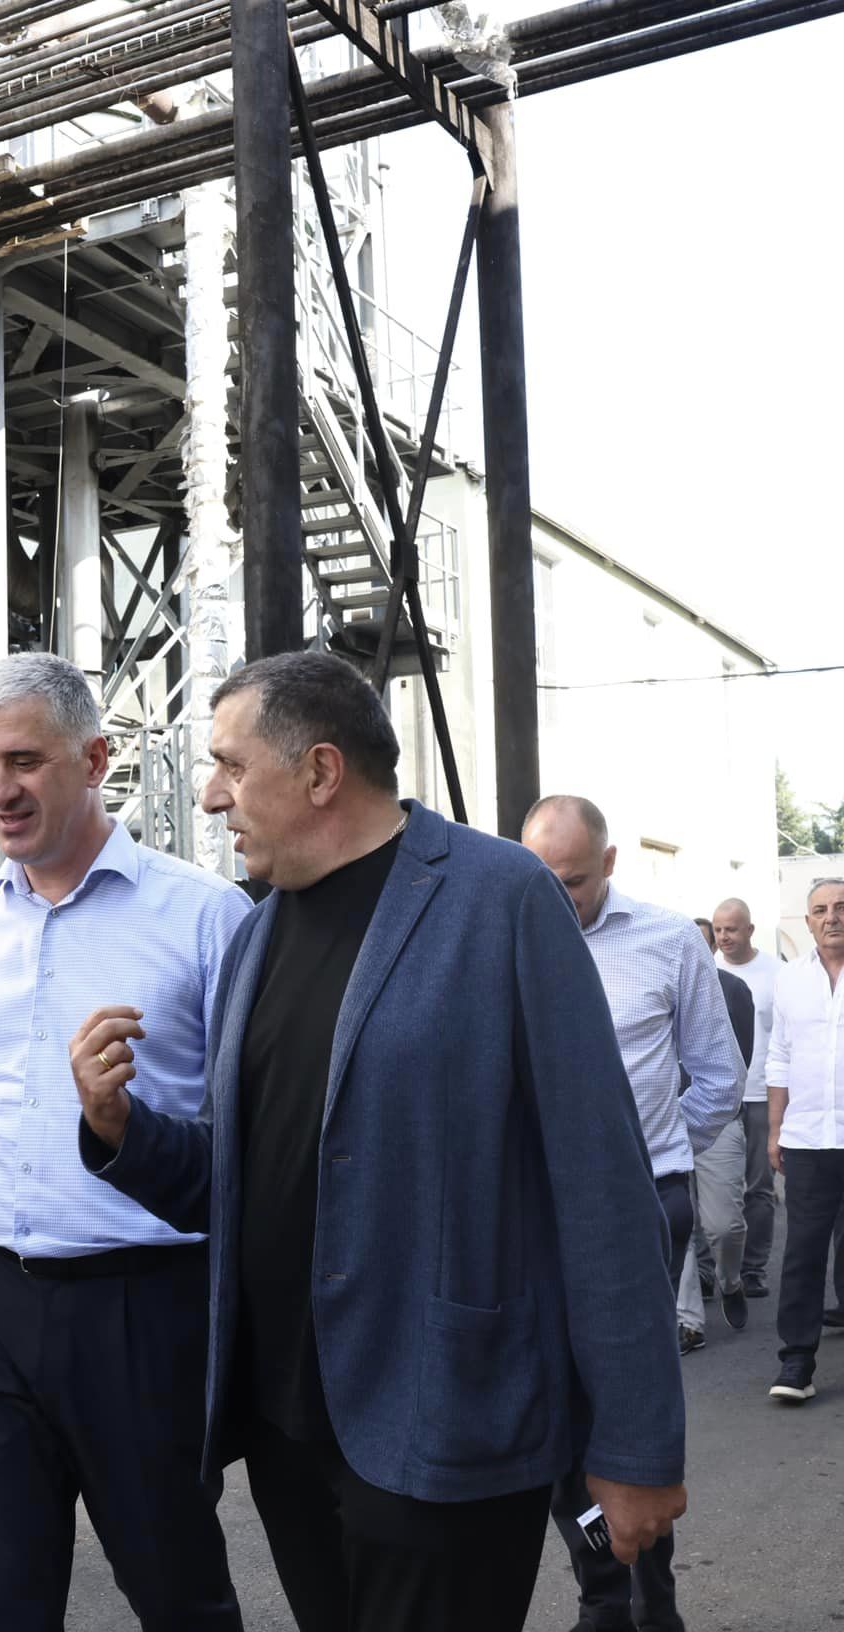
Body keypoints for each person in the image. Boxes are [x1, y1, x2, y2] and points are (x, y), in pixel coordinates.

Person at [75, 651, 686, 1632]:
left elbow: (602, 1187)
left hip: (445, 1418)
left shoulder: (500, 898)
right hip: (287, 1428)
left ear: (320, 771)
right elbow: (251, 1182)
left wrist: (635, 1444)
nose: (211, 794)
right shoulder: (255, 935)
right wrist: (120, 1131)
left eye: (230, 765)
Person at [0, 651, 248, 1631]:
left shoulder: (205, 918)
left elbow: (248, 1142)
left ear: (95, 760)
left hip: (140, 1310)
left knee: (177, 1592)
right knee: (0, 1601)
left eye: (24, 761)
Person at [521, 794, 740, 1632]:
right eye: (540, 879)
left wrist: (649, 1156)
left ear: (609, 864)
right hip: (534, 1209)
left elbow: (716, 1075)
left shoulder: (668, 941)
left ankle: (654, 1602)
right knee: (546, 1410)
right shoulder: (503, 937)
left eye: (572, 882)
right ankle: (604, 1592)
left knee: (627, 1409)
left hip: (645, 1201)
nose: (556, 899)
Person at [763, 876, 844, 1404]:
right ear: (808, 921)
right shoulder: (789, 979)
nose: (832, 917)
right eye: (820, 910)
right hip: (809, 1139)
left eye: (841, 906)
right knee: (803, 1251)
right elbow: (780, 1057)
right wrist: (775, 1130)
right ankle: (796, 1362)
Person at [673, 918, 755, 1350]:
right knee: (675, 1221)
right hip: (662, 1121)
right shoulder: (655, 981)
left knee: (724, 1225)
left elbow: (738, 1061)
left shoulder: (733, 990)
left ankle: (729, 1279)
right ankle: (688, 1321)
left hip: (717, 1118)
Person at [712, 897, 783, 1298]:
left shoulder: (776, 973)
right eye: (719, 929)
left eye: (732, 929)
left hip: (760, 1093)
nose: (724, 936)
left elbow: (787, 1037)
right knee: (710, 1189)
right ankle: (711, 1270)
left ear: (750, 930)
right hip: (717, 1096)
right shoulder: (706, 970)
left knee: (759, 1186)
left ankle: (753, 1269)